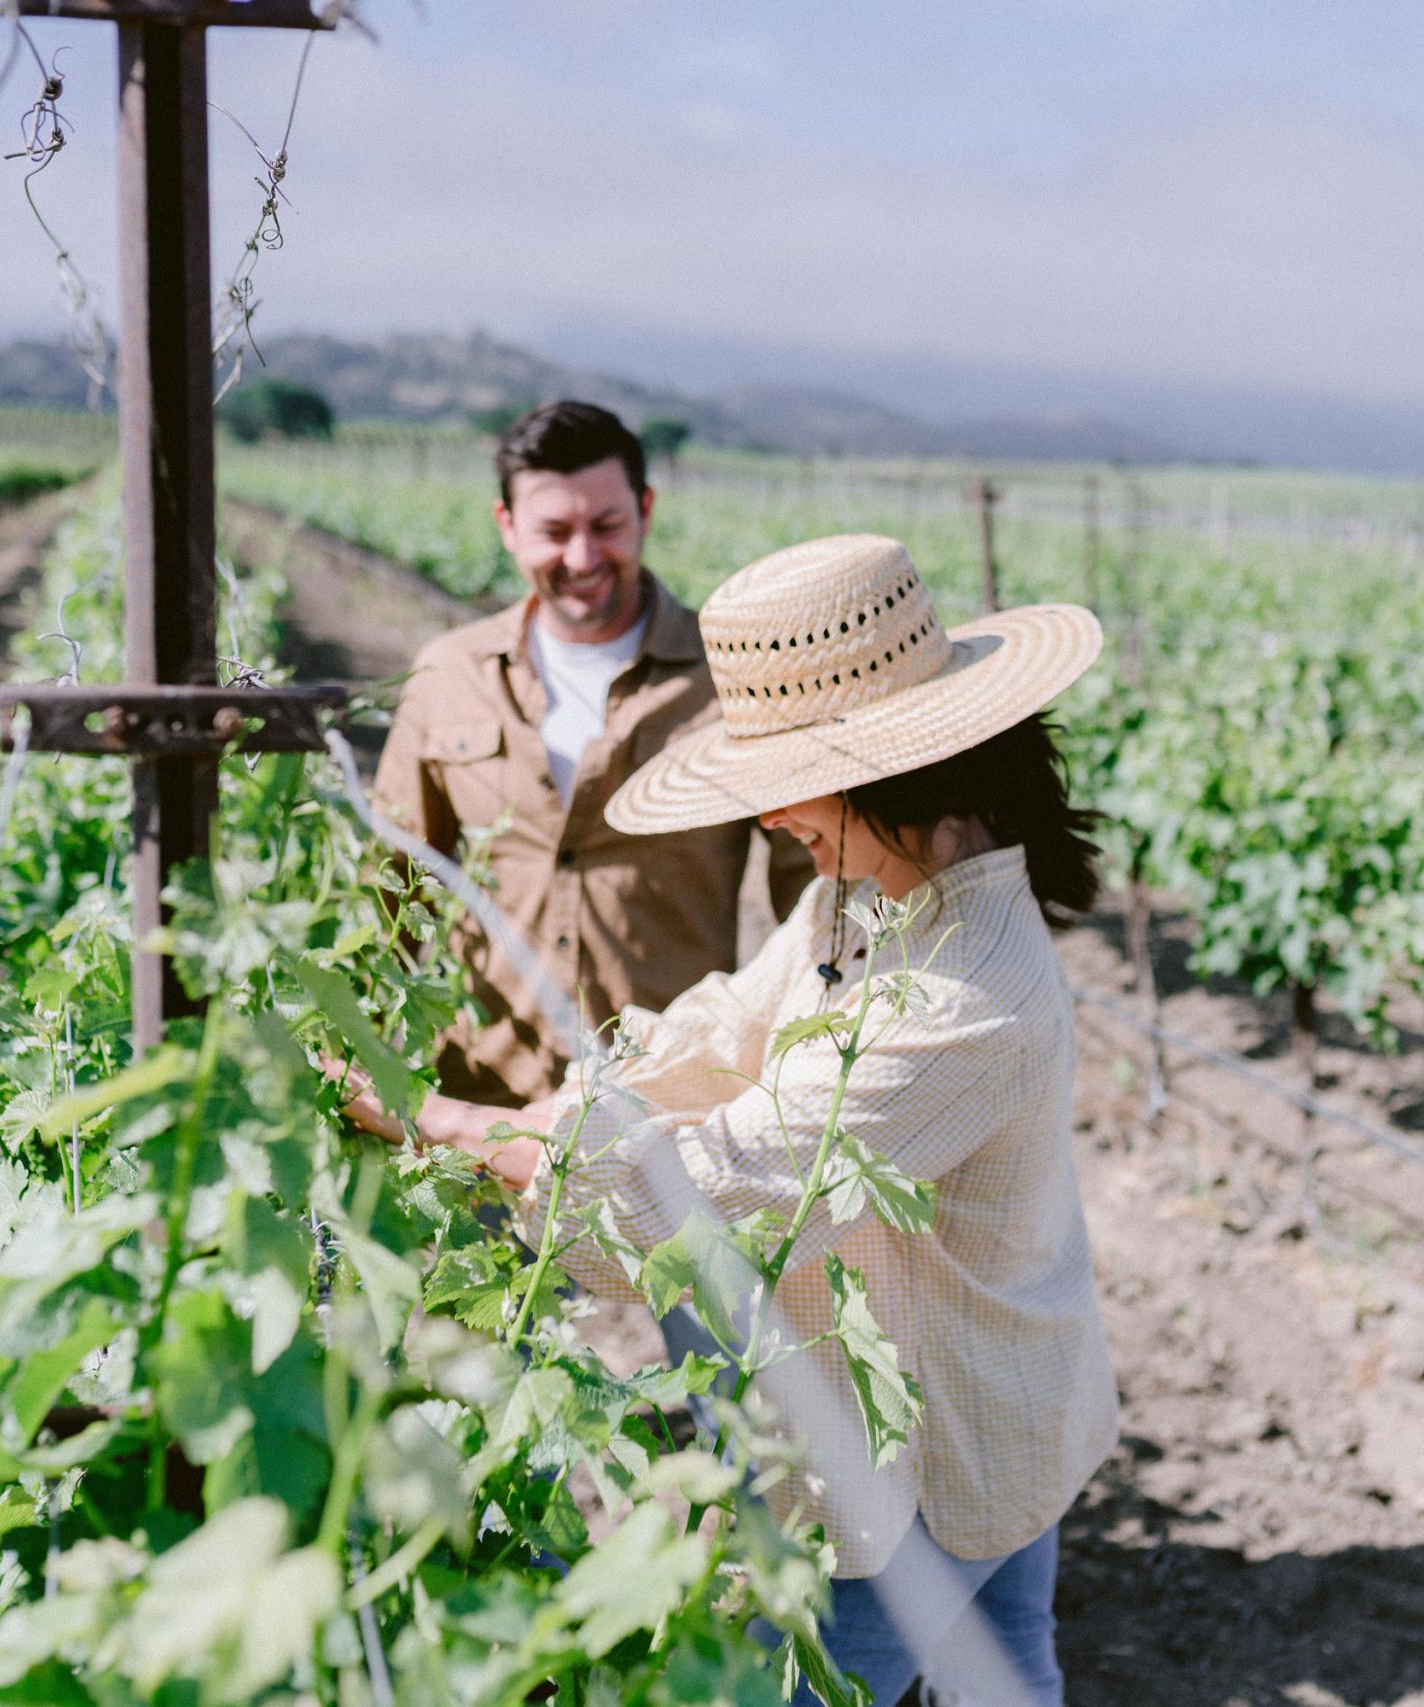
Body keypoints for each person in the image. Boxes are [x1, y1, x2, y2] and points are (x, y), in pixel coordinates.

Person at [344, 533, 1119, 1705]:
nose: (767, 818)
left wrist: (442, 1126)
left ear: (889, 772)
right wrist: (556, 1111)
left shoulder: (973, 998)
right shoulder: (869, 897)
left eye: (787, 783)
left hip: (935, 1446)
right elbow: (720, 1030)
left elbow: (722, 1185)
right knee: (1010, 1678)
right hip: (999, 1386)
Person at [372, 400, 809, 1103]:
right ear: (506, 526)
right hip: (484, 1106)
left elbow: (813, 893)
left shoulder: (730, 678)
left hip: (671, 1105)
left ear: (645, 511)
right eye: (554, 532)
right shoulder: (448, 675)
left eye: (606, 526)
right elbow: (391, 881)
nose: (582, 558)